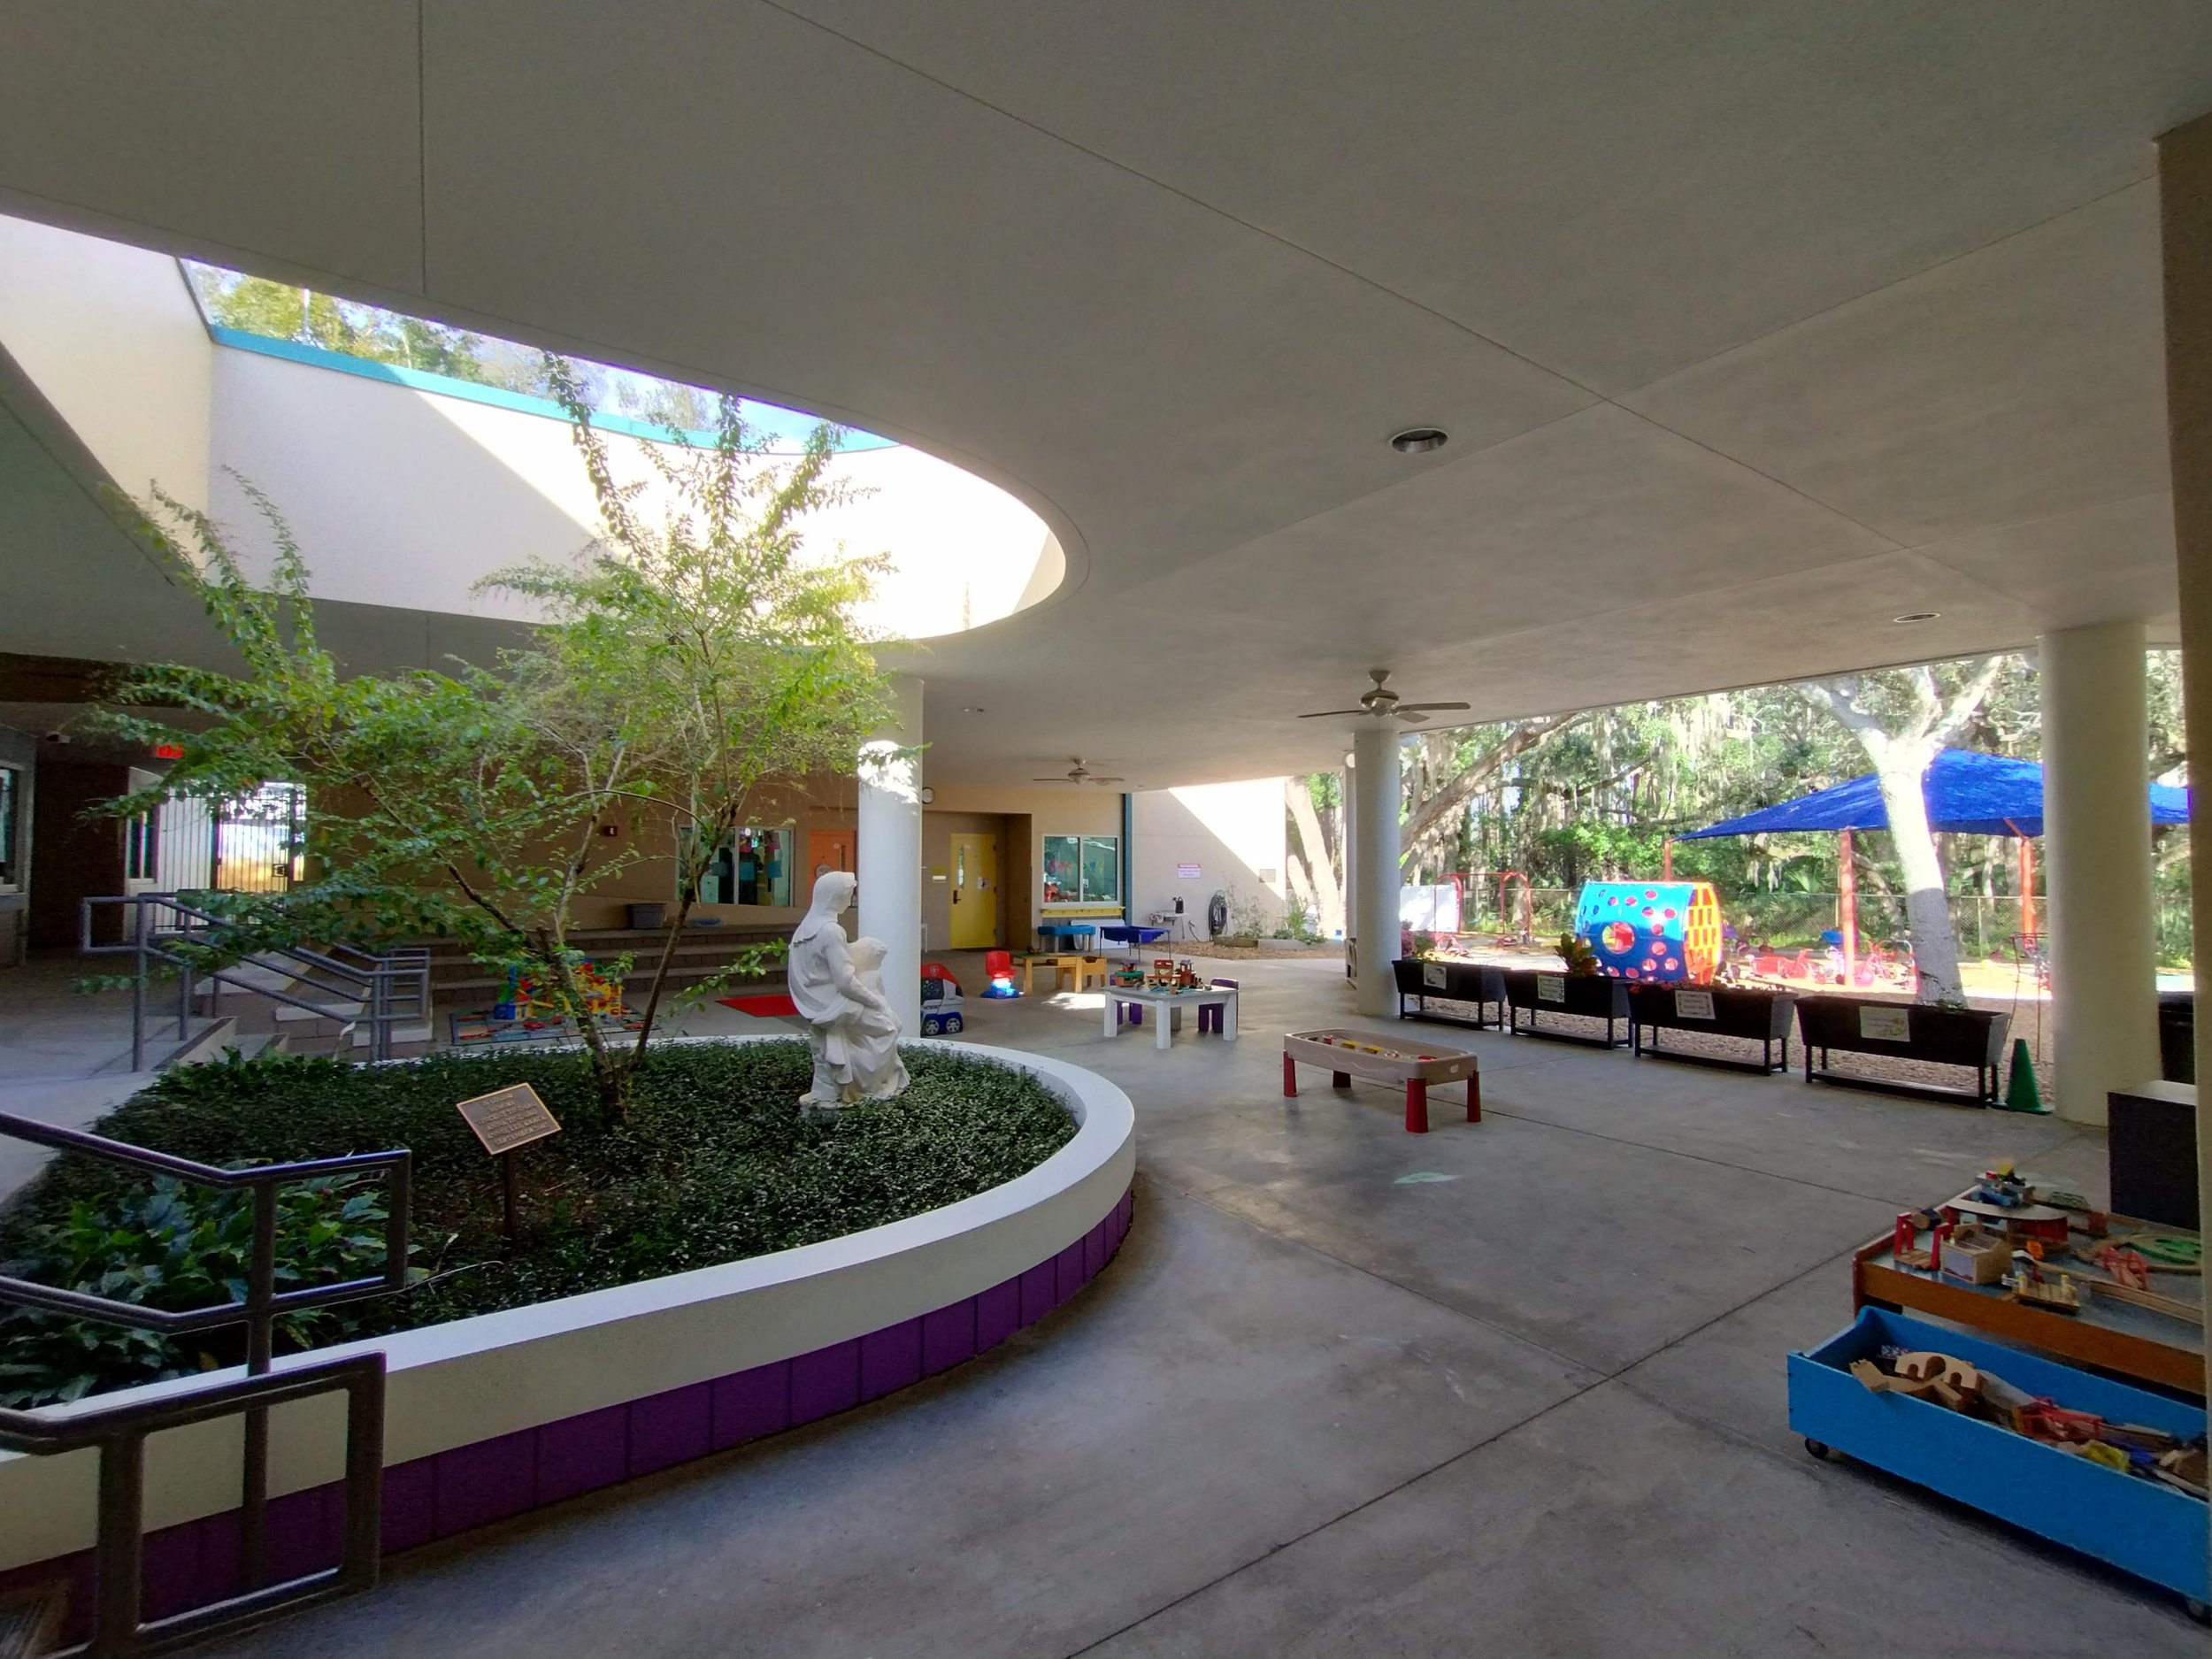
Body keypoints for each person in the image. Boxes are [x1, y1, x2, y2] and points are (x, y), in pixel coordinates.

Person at [787, 871, 896, 1110]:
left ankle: (839, 1084)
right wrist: (874, 1001)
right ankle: (866, 1083)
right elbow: (846, 981)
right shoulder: (830, 931)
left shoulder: (803, 930)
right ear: (835, 896)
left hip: (814, 1003)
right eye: (848, 893)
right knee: (889, 1028)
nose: (850, 898)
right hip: (837, 1006)